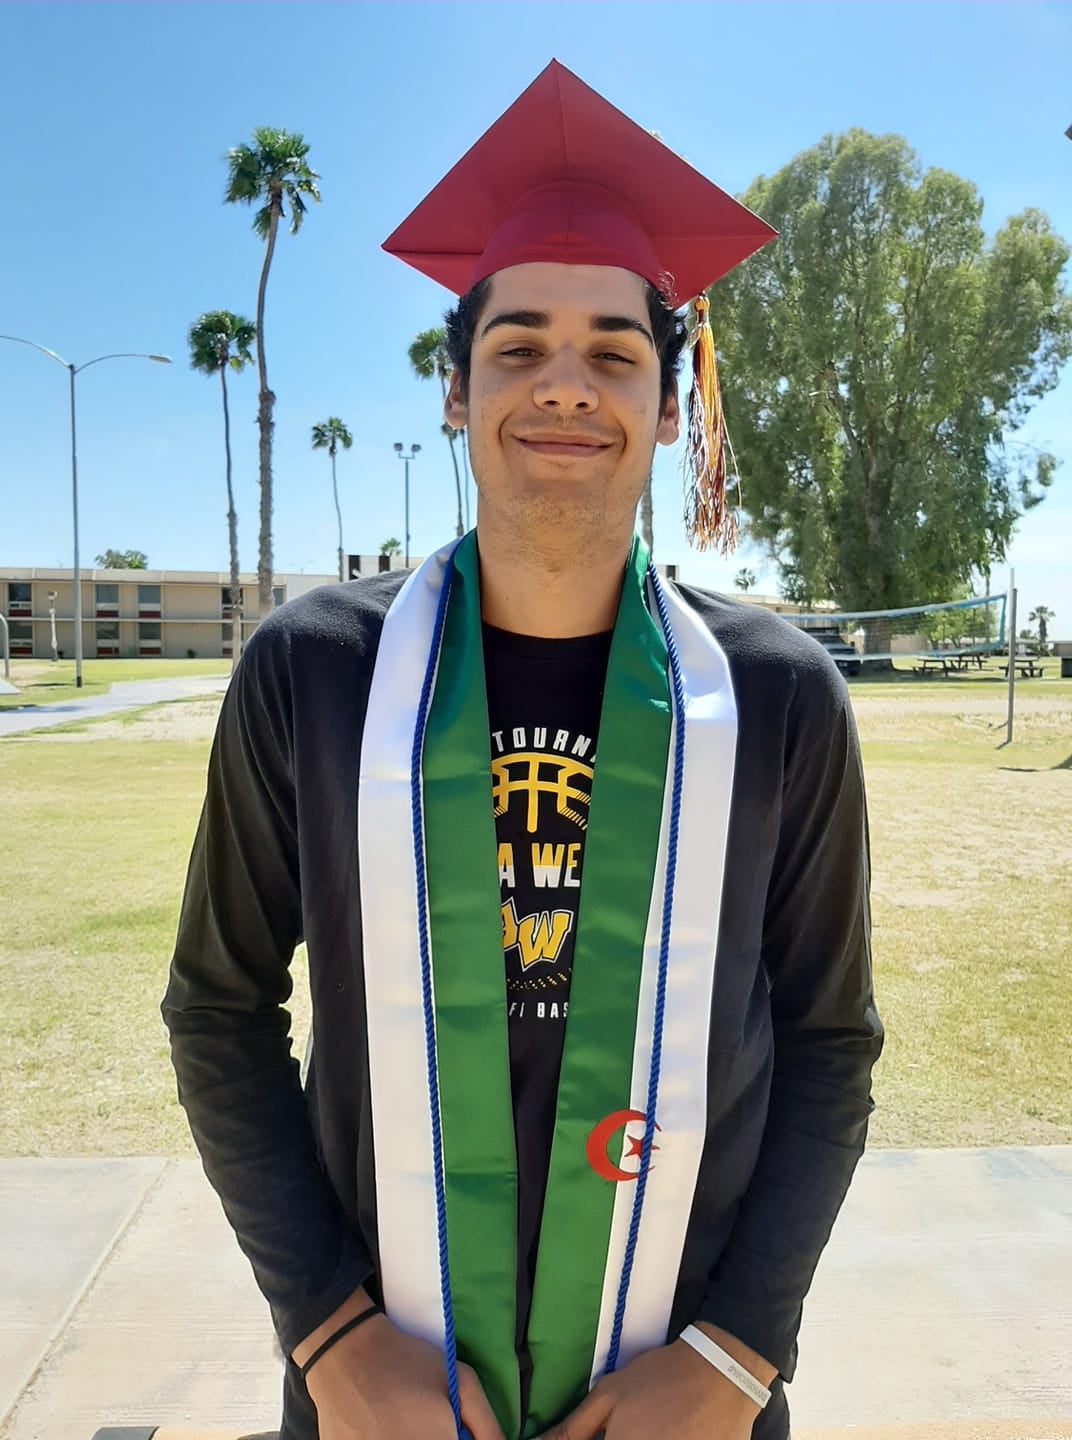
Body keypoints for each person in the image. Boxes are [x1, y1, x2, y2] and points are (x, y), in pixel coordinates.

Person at [163, 59, 883, 1440]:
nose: (567, 385)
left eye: (615, 351)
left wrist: (739, 1355)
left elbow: (829, 1038)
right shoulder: (313, 677)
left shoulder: (781, 700)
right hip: (387, 1395)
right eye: (519, 346)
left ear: (670, 406)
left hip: (686, 1394)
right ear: (455, 389)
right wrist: (329, 1335)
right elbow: (218, 1008)